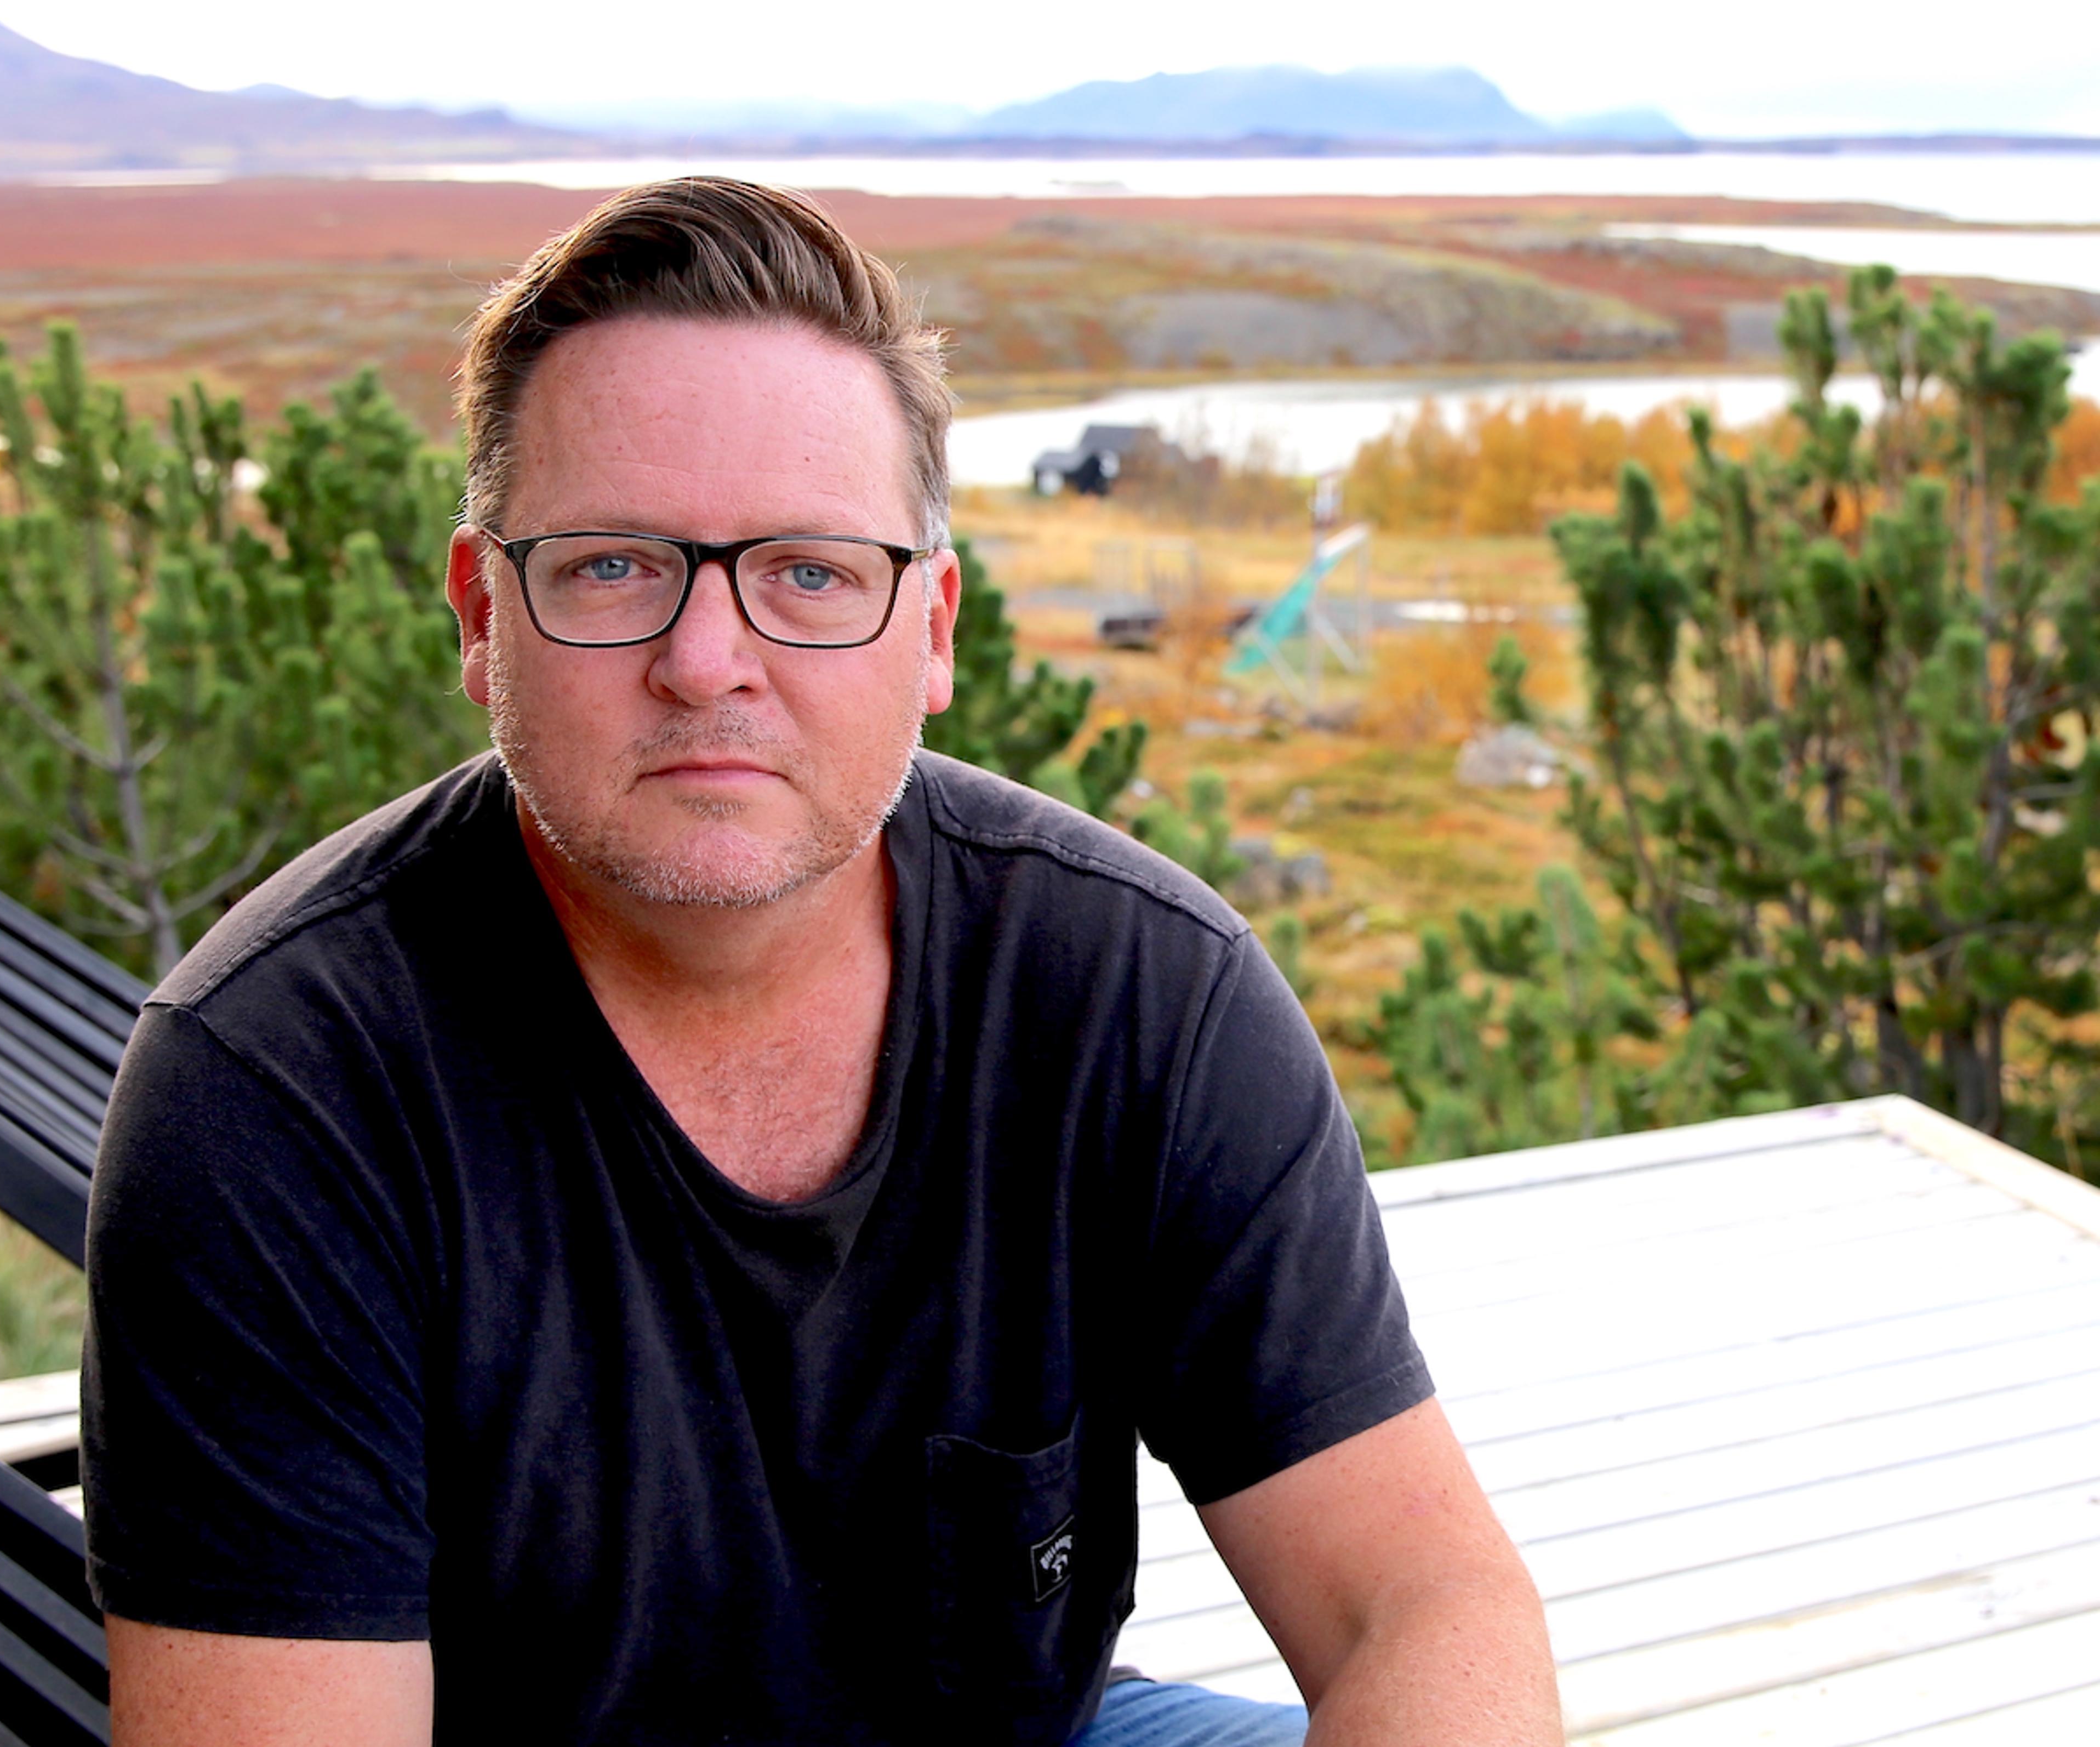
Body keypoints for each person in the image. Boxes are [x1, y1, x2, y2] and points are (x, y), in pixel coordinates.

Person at [82, 177, 1560, 1746]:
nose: (708, 661)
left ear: (932, 629)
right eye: (610, 566)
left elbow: (1421, 1596)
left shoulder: (1137, 993)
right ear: (479, 618)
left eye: (808, 573)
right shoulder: (276, 1098)